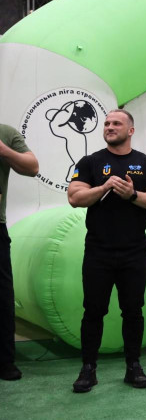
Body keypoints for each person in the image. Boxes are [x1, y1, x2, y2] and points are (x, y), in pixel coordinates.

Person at [68, 109, 146, 392]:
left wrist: (132, 194)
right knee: (93, 311)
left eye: (116, 123)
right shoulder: (90, 162)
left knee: (133, 311)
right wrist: (103, 188)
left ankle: (133, 366)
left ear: (131, 130)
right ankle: (88, 368)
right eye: (107, 123)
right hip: (98, 251)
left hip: (133, 252)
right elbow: (74, 196)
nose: (110, 127)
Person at [0, 123, 39, 381]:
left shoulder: (5, 133)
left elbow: (32, 167)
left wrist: (3, 150)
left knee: (2, 297)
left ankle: (4, 361)